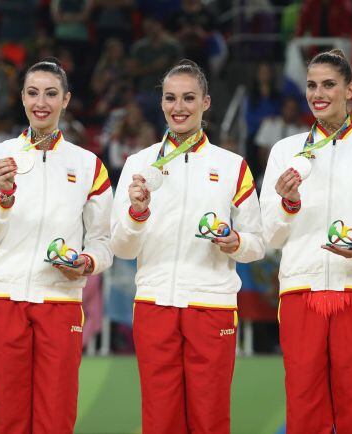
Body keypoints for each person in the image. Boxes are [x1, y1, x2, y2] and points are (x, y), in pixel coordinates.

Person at [260, 49, 352, 434]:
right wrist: (288, 203)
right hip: (300, 292)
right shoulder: (284, 151)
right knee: (304, 411)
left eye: (329, 84)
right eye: (312, 85)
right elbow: (271, 235)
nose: (318, 93)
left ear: (351, 89)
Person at [111, 59, 264, 434]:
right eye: (171, 98)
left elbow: (257, 244)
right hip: (154, 304)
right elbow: (121, 247)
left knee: (210, 419)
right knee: (160, 420)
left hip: (211, 304)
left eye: (189, 98)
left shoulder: (232, 166)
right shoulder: (138, 164)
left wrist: (235, 242)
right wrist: (137, 212)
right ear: (161, 103)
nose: (179, 107)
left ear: (206, 103)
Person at [0, 57, 113, 433]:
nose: (42, 102)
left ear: (66, 100)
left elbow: (104, 242)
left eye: (51, 94)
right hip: (5, 298)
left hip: (60, 300)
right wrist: (4, 197)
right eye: (33, 93)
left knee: (56, 417)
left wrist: (85, 263)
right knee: (8, 418)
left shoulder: (88, 165)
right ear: (21, 98)